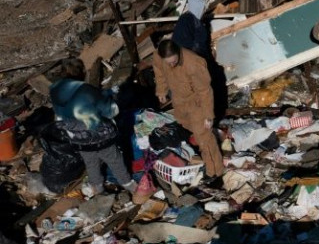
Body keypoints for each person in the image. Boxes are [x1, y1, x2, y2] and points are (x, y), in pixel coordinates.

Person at [49, 58, 137, 195]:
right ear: (82, 72)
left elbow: (60, 114)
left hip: (76, 137)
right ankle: (128, 184)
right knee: (115, 159)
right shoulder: (87, 90)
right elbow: (110, 111)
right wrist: (112, 98)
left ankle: (97, 187)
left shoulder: (55, 89)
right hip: (99, 135)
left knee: (91, 162)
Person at [153, 39, 224, 180]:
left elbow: (205, 91)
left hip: (196, 103)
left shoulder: (193, 63)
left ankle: (215, 172)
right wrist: (161, 90)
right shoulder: (158, 56)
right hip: (179, 101)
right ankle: (203, 158)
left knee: (204, 138)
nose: (172, 65)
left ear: (178, 53)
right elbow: (159, 70)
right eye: (169, 63)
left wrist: (208, 115)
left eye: (174, 61)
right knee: (189, 129)